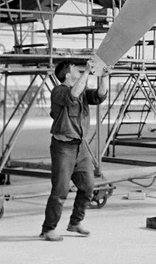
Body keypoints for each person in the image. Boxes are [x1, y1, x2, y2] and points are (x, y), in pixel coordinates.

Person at [40, 59, 109, 241]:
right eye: (75, 69)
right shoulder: (59, 91)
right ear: (67, 74)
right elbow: (73, 95)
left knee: (88, 187)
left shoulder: (83, 92)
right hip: (63, 148)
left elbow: (100, 96)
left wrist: (103, 77)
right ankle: (48, 229)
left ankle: (75, 222)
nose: (79, 70)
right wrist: (87, 73)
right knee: (60, 190)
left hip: (80, 146)